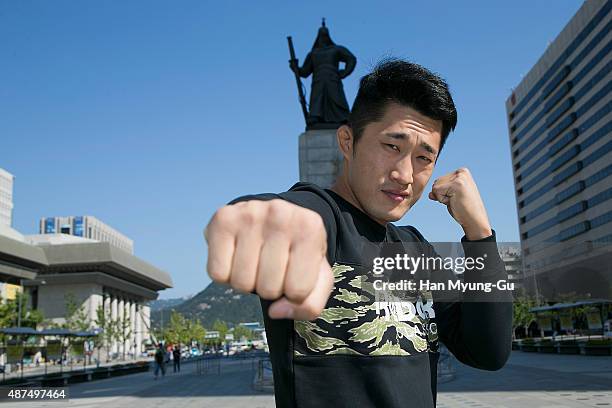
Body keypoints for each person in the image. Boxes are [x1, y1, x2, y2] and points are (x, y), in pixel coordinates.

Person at [204, 58, 512, 408]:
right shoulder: (325, 219)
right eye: (392, 147)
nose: (405, 174)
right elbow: (272, 217)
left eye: (424, 158)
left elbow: (489, 351)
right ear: (348, 142)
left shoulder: (418, 250)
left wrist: (479, 235)